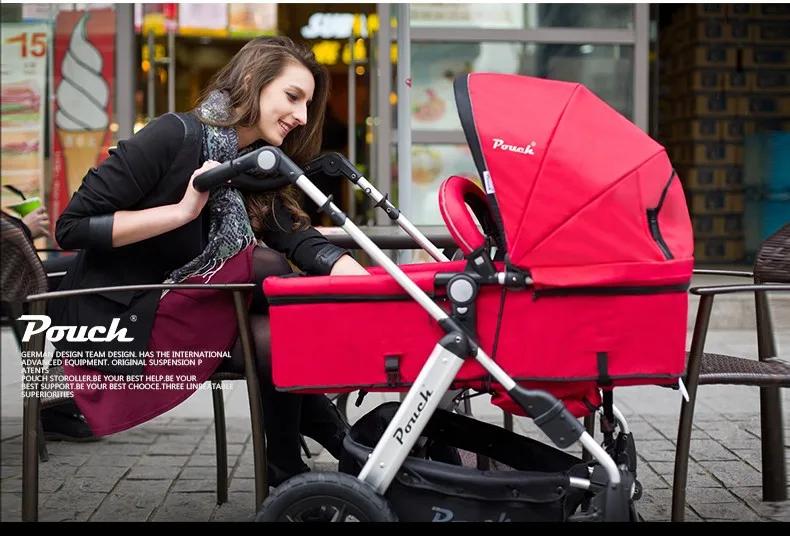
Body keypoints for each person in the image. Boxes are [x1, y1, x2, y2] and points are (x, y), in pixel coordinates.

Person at [48, 36, 369, 486]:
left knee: (275, 334)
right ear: (252, 81)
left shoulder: (253, 162)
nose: (301, 115)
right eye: (292, 96)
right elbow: (71, 226)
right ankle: (335, 447)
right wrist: (181, 213)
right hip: (116, 317)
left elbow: (296, 237)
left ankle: (297, 465)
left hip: (181, 308)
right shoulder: (173, 135)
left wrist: (369, 287)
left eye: (307, 104)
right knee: (264, 267)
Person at [0, 206, 97, 442]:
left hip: (13, 276)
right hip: (9, 286)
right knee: (93, 268)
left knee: (90, 263)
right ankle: (56, 403)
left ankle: (59, 401)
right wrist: (25, 227)